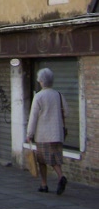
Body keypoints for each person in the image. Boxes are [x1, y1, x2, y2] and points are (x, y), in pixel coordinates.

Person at [27, 67, 69, 195]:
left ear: (41, 81)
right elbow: (66, 112)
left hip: (43, 135)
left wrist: (29, 134)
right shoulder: (58, 95)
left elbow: (33, 116)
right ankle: (60, 176)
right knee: (55, 158)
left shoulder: (39, 96)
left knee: (42, 160)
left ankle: (45, 184)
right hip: (57, 133)